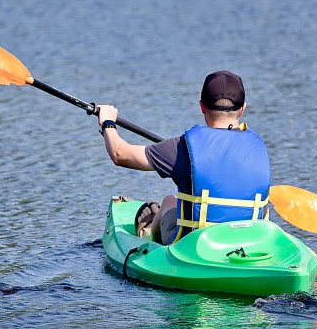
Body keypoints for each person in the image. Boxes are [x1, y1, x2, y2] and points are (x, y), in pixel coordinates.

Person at [95, 70, 271, 245]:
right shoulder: (258, 147)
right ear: (242, 109)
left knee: (169, 202)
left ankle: (149, 239)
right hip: (248, 246)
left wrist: (108, 122)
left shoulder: (182, 148)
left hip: (194, 251)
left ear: (202, 106)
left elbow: (120, 154)